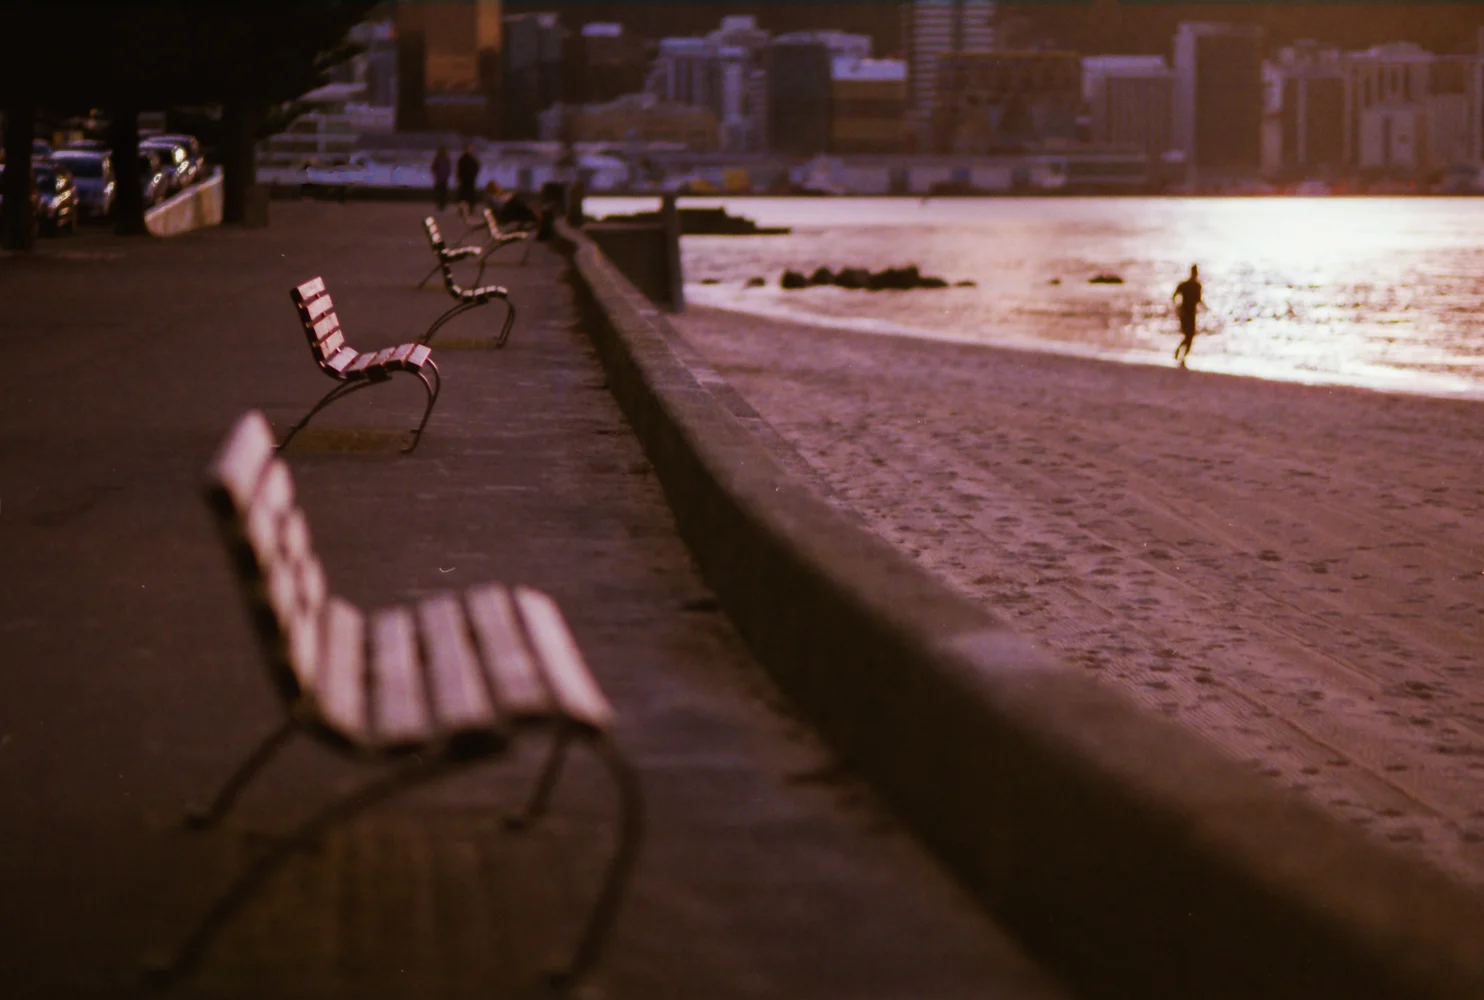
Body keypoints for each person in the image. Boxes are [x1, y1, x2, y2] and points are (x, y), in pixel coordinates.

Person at [1172, 264, 1204, 367]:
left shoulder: (1185, 284)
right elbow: (1198, 300)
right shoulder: (1196, 286)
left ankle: (1180, 354)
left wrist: (1177, 307)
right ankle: (1181, 355)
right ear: (1196, 273)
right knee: (1189, 336)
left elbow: (1174, 296)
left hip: (1185, 313)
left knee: (1188, 336)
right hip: (1190, 313)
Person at [455, 144, 480, 219]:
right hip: (468, 181)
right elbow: (476, 168)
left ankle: (465, 210)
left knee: (465, 196)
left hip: (467, 181)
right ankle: (465, 210)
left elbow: (459, 170)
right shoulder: (470, 160)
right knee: (467, 196)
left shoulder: (463, 159)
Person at [430, 146, 451, 211]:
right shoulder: (445, 159)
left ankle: (440, 205)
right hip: (443, 179)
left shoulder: (438, 159)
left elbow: (433, 168)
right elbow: (448, 169)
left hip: (440, 178)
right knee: (443, 192)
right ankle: (442, 205)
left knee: (440, 192)